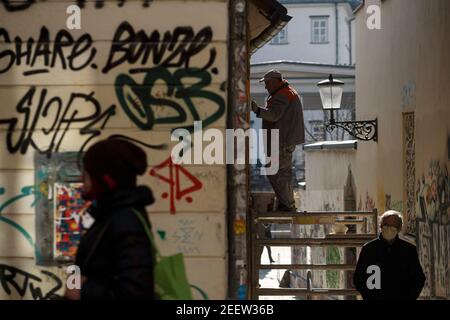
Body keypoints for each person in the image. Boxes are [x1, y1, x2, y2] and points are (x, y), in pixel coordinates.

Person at [65, 137, 155, 300]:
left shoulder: (125, 220)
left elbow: (136, 292)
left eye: (86, 174)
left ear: (105, 179)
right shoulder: (109, 216)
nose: (80, 179)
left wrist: (82, 292)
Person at [251, 69, 305, 211]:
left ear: (275, 82)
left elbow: (274, 115)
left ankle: (287, 204)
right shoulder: (288, 92)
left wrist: (257, 110)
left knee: (275, 172)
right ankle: (286, 203)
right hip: (285, 140)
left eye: (267, 83)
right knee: (282, 173)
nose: (266, 87)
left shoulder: (281, 95)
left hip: (281, 140)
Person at [353, 210, 426, 300]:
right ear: (381, 226)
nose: (389, 228)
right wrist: (369, 296)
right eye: (386, 225)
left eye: (393, 226)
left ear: (399, 228)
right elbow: (358, 278)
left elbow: (419, 278)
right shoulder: (369, 249)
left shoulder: (408, 250)